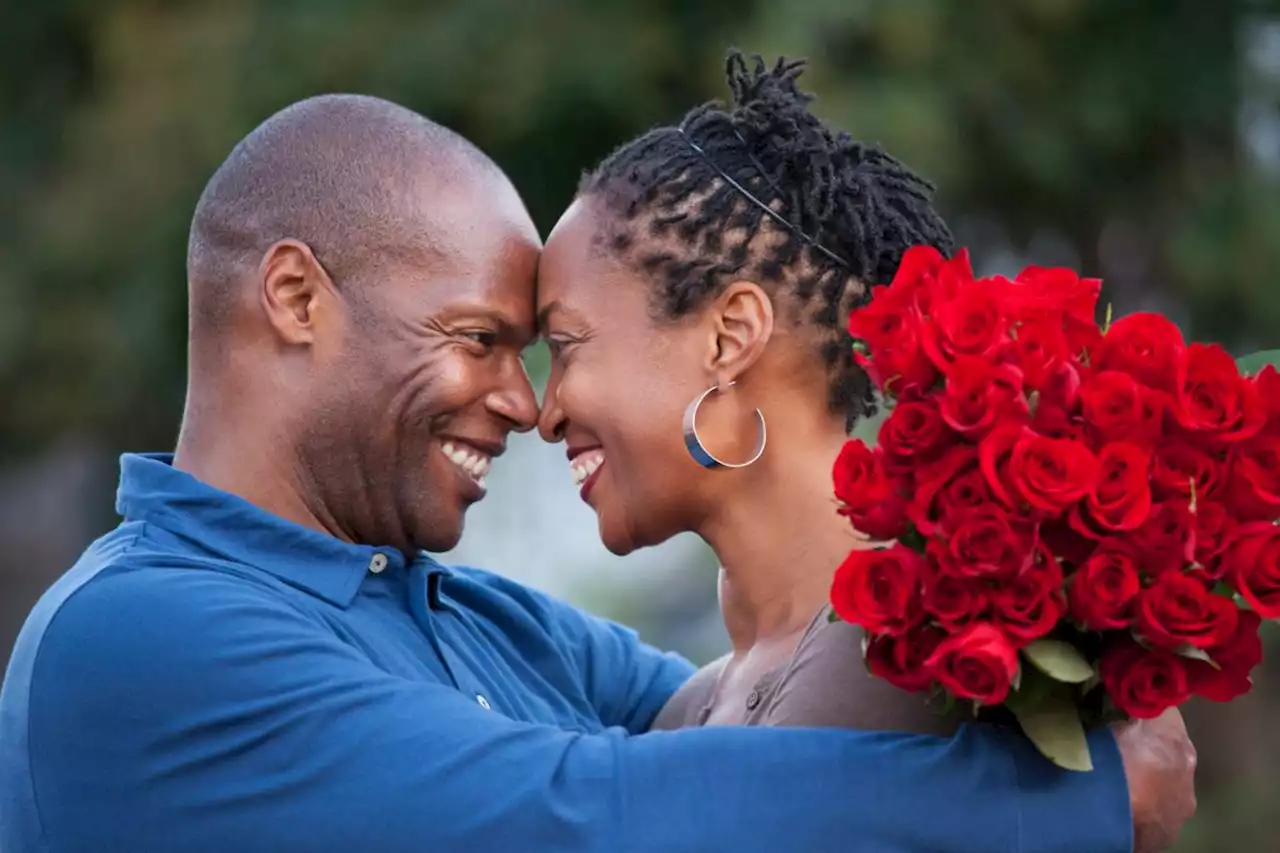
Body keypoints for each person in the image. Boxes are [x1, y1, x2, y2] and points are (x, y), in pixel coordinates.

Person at [0, 93, 1192, 853]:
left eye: (550, 349)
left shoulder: (472, 614)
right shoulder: (135, 636)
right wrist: (1066, 806)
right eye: (480, 340)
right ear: (297, 299)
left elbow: (755, 720)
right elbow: (587, 813)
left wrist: (1040, 575)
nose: (523, 402)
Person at [536, 51, 1195, 852]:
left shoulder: (915, 673)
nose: (543, 409)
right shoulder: (696, 702)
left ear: (730, 335)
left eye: (566, 345)